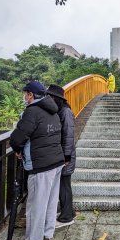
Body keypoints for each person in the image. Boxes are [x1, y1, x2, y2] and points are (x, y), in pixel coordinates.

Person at [8, 80, 64, 240]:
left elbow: (18, 137)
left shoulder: (32, 111)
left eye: (25, 93)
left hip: (41, 166)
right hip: (56, 162)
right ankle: (47, 238)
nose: (24, 97)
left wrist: (18, 148)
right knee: (50, 202)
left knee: (35, 206)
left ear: (30, 95)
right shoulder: (53, 111)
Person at [46, 84, 77, 228]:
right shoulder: (61, 111)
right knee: (63, 186)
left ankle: (66, 217)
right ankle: (69, 211)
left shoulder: (65, 112)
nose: (49, 99)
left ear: (57, 98)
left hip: (65, 156)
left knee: (64, 186)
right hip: (62, 155)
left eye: (51, 97)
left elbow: (69, 136)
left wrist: (66, 157)